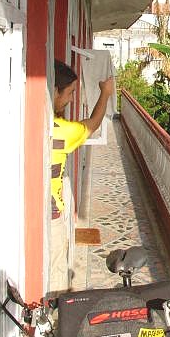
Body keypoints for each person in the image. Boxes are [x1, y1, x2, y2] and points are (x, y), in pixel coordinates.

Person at [50, 59, 115, 290]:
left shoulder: (43, 123)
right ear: (54, 91)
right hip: (50, 216)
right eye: (69, 93)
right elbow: (94, 123)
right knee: (56, 275)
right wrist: (105, 93)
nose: (70, 100)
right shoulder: (59, 131)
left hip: (38, 212)